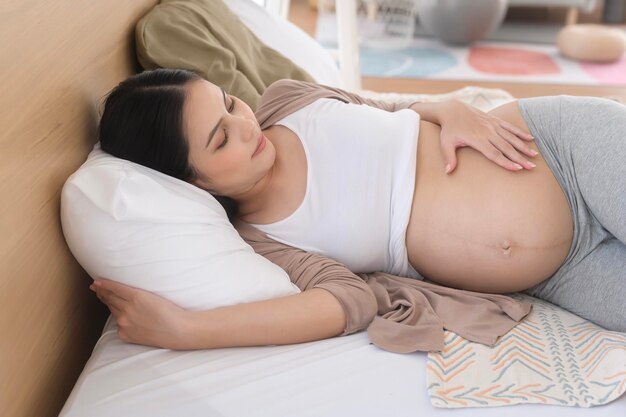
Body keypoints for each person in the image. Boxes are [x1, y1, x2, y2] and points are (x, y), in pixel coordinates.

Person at [92, 69, 626, 350]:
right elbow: (345, 302)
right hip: (559, 273)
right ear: (195, 182)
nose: (246, 125)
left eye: (230, 102)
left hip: (560, 149)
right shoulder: (263, 240)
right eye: (220, 138)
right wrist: (186, 331)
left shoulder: (286, 99)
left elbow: (386, 109)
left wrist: (448, 108)